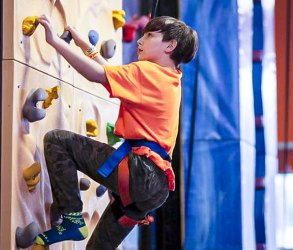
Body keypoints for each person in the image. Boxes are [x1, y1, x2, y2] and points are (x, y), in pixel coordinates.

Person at [35, 14, 198, 249]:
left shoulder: (147, 72)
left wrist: (54, 41)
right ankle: (71, 219)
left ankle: (71, 217)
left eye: (150, 35)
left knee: (57, 141)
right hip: (156, 188)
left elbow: (97, 75)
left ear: (170, 46)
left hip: (139, 172)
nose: (141, 41)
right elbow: (111, 72)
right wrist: (85, 46)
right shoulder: (170, 78)